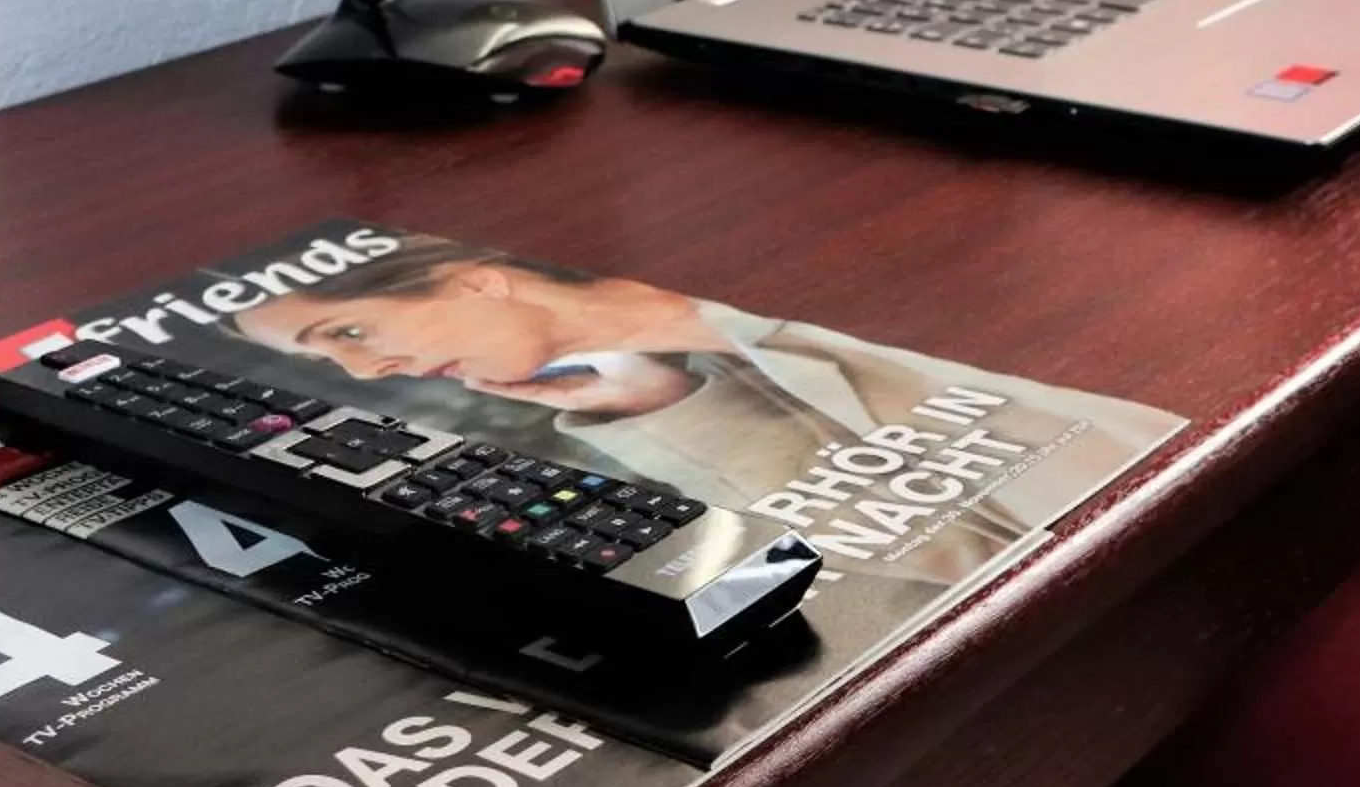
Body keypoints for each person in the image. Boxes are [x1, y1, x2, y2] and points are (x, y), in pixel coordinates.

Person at [229, 237, 1177, 587]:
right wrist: (668, 407)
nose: (373, 369)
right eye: (336, 362)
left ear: (474, 274)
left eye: (346, 330)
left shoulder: (753, 269)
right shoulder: (666, 401)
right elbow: (946, 565)